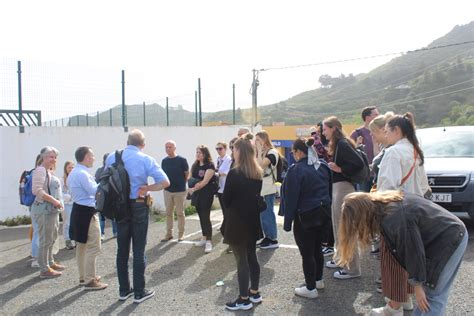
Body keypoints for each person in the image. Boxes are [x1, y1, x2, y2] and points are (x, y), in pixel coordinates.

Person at [336, 191, 468, 316]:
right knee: (428, 297)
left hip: (451, 238)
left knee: (433, 298)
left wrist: (417, 284)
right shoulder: (386, 204)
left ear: (361, 215)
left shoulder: (394, 218)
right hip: (444, 235)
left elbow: (412, 251)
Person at [372, 112, 430, 315]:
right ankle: (405, 301)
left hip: (395, 213)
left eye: (387, 131)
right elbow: (424, 187)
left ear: (397, 131)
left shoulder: (393, 152)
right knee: (409, 258)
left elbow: (387, 187)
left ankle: (393, 307)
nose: (385, 135)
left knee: (392, 261)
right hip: (415, 212)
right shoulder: (415, 151)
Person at [106, 129, 170, 303]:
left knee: (122, 249)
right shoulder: (145, 159)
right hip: (138, 204)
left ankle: (123, 290)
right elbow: (165, 182)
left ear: (127, 142)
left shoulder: (112, 157)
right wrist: (147, 188)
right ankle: (139, 292)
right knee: (139, 248)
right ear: (143, 145)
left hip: (119, 207)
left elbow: (105, 180)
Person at [280, 138, 332, 299]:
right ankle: (318, 280)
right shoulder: (322, 165)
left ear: (299, 152)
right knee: (317, 248)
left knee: (307, 252)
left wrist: (287, 222)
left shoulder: (295, 170)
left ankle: (310, 288)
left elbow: (290, 198)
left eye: (293, 152)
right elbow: (329, 190)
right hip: (324, 212)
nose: (293, 155)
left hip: (306, 215)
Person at [221, 134, 263, 311]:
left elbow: (227, 199)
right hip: (252, 221)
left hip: (237, 222)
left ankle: (243, 299)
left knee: (241, 261)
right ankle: (254, 292)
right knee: (252, 257)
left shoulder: (234, 173)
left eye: (234, 149)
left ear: (239, 151)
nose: (233, 152)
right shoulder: (257, 173)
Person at [322, 116, 364, 279]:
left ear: (333, 128)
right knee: (339, 226)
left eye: (325, 129)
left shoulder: (342, 144)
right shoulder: (341, 143)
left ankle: (352, 268)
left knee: (345, 228)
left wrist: (339, 169)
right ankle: (342, 260)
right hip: (340, 188)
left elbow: (358, 163)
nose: (323, 132)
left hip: (344, 188)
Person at [68, 146, 107, 290]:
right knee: (94, 246)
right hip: (87, 212)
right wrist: (104, 181)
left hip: (78, 210)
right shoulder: (83, 174)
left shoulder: (74, 172)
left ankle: (83, 277)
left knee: (82, 246)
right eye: (92, 155)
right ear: (85, 157)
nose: (94, 158)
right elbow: (94, 191)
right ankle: (90, 280)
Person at [30, 146, 65, 279]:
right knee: (45, 239)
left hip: (51, 210)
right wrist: (54, 201)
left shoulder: (48, 171)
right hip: (44, 210)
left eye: (55, 157)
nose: (54, 159)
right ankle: (44, 269)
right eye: (51, 156)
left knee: (52, 237)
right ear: (43, 157)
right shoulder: (40, 170)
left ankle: (50, 262)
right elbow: (37, 190)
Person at [188, 145, 216, 254]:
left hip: (206, 194)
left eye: (200, 152)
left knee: (205, 216)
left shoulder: (210, 165)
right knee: (200, 215)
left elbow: (205, 182)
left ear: (205, 154)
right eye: (197, 152)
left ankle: (209, 241)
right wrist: (191, 187)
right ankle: (204, 238)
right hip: (197, 194)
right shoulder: (195, 165)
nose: (198, 154)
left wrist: (193, 188)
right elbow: (190, 178)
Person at [255, 131, 279, 249]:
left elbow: (260, 167)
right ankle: (267, 237)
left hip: (268, 187)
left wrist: (259, 151)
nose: (256, 143)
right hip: (261, 187)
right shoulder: (262, 152)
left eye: (258, 140)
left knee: (267, 213)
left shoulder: (272, 152)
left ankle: (272, 239)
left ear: (264, 140)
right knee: (262, 214)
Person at [161, 140, 189, 242]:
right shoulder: (164, 161)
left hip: (180, 191)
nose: (168, 149)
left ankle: (181, 234)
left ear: (175, 148)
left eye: (170, 147)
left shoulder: (182, 160)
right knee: (168, 213)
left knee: (180, 213)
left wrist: (182, 183)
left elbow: (186, 174)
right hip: (167, 191)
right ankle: (169, 234)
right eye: (166, 147)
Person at [350, 106, 380, 192]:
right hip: (363, 175)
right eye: (376, 114)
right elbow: (350, 153)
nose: (379, 116)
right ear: (367, 117)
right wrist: (357, 145)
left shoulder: (381, 131)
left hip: (378, 173)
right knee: (364, 202)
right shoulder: (357, 133)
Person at [95, 153, 117, 240]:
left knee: (114, 216)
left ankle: (115, 232)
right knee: (102, 216)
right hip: (103, 196)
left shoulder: (113, 169)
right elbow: (96, 182)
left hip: (112, 196)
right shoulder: (100, 170)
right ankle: (102, 234)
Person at [28, 154, 42, 268]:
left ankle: (36, 255)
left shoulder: (33, 172)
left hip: (33, 205)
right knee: (38, 231)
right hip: (37, 205)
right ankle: (36, 258)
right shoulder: (37, 173)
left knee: (36, 230)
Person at [215, 141, 232, 224]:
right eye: (217, 149)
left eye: (220, 148)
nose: (218, 150)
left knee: (227, 208)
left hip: (226, 187)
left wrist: (216, 174)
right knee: (223, 208)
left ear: (225, 149)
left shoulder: (228, 159)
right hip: (220, 187)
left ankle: (227, 225)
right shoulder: (218, 159)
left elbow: (226, 172)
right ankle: (225, 224)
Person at [61, 161, 75, 250]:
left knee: (75, 222)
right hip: (66, 204)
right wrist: (68, 197)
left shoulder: (75, 178)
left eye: (72, 167)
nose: (71, 169)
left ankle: (75, 239)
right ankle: (67, 240)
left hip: (75, 203)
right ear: (65, 169)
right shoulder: (62, 180)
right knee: (67, 223)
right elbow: (60, 193)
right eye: (69, 167)